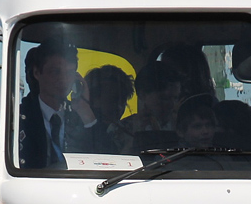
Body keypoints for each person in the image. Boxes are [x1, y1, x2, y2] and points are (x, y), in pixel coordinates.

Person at [17, 41, 110, 169]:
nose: (64, 79)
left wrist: (86, 112)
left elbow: (110, 161)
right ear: (37, 73)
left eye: (70, 72)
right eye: (55, 72)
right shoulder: (18, 119)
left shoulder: (81, 117)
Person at [118, 61, 180, 153]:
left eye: (175, 98)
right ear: (143, 95)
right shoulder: (119, 129)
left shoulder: (183, 126)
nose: (172, 104)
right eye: (164, 98)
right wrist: (136, 135)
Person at [84, 64, 134, 154]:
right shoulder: (75, 133)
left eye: (123, 101)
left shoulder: (125, 131)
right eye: (113, 100)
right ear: (93, 99)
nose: (119, 107)